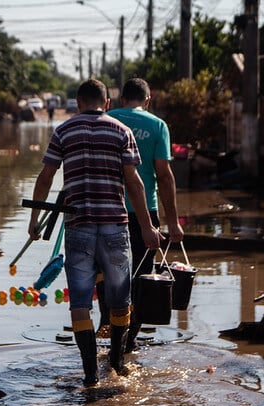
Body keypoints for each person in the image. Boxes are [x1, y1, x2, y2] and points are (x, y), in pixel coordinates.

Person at [27, 78, 162, 387]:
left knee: (80, 304)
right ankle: (116, 364)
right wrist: (147, 227)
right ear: (108, 103)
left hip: (79, 229)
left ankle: (90, 374)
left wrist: (35, 218)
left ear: (77, 102)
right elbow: (135, 183)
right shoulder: (121, 131)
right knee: (120, 300)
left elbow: (46, 175)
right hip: (115, 226)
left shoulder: (63, 131)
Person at [98, 77, 184, 353]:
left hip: (106, 210)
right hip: (144, 213)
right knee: (141, 277)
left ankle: (108, 325)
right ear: (148, 100)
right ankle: (128, 340)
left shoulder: (107, 119)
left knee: (108, 272)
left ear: (122, 99)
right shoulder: (158, 125)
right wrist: (173, 223)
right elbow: (164, 175)